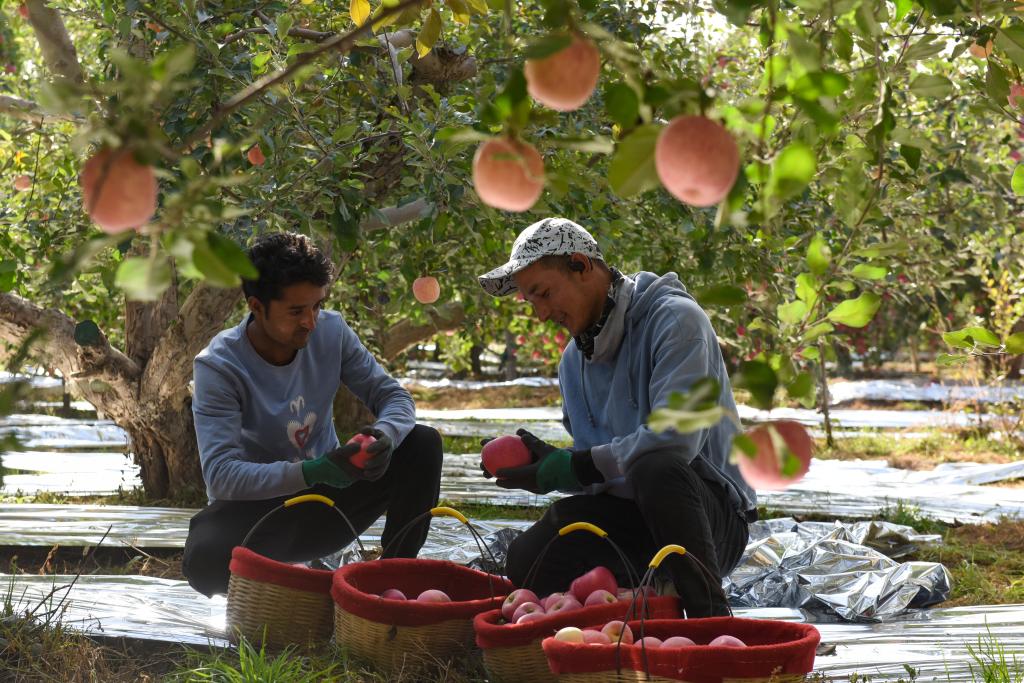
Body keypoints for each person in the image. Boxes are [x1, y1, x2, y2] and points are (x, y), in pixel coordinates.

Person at [477, 217, 756, 617]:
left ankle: (709, 620)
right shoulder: (573, 362)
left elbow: (675, 440)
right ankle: (640, 602)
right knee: (528, 558)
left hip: (708, 520)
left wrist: (576, 466)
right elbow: (602, 473)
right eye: (530, 302)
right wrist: (549, 467)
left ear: (581, 266)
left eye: (543, 293)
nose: (540, 314)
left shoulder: (676, 321)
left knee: (656, 468)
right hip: (637, 515)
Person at [182, 232, 443, 597]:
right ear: (256, 306)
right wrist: (310, 471)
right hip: (264, 515)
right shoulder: (219, 365)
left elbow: (393, 397)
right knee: (204, 557)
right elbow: (222, 477)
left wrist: (386, 435)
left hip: (333, 505)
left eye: (316, 306)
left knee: (422, 444)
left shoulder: (331, 332)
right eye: (295, 311)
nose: (310, 321)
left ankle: (394, 581)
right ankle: (272, 589)